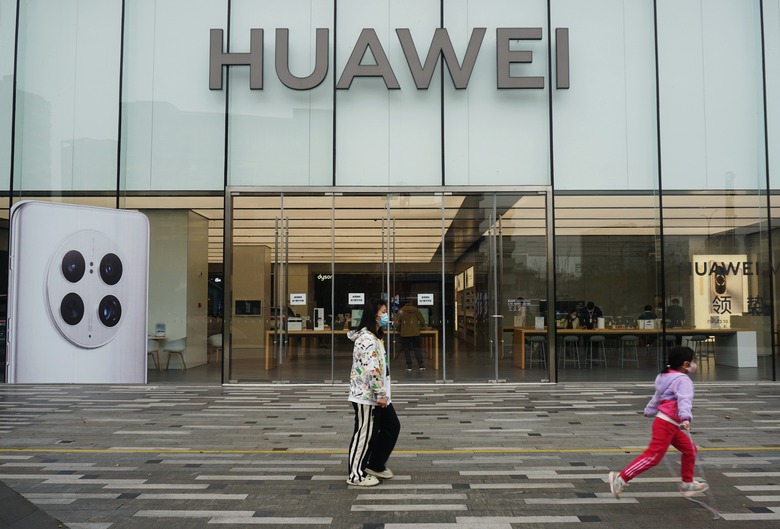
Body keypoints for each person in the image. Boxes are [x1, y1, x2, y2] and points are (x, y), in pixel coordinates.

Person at [608, 346, 709, 499]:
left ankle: (688, 483)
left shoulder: (666, 376)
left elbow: (658, 396)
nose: (695, 364)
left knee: (690, 450)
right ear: (685, 364)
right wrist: (685, 418)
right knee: (653, 456)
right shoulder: (683, 381)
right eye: (693, 361)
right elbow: (684, 401)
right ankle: (621, 478)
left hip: (668, 424)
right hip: (667, 424)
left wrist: (649, 410)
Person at [345, 299, 400, 487]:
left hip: (377, 395)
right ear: (374, 315)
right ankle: (355, 475)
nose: (386, 315)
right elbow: (372, 369)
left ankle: (374, 464)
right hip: (367, 396)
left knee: (391, 427)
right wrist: (380, 394)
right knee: (364, 433)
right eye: (383, 312)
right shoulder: (367, 339)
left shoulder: (375, 337)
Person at [395, 299, 427, 372]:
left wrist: (399, 330)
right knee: (417, 348)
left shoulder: (401, 311)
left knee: (406, 349)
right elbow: (422, 321)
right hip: (415, 333)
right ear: (411, 303)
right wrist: (422, 326)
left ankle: (409, 366)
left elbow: (397, 323)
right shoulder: (416, 310)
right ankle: (421, 365)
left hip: (404, 333)